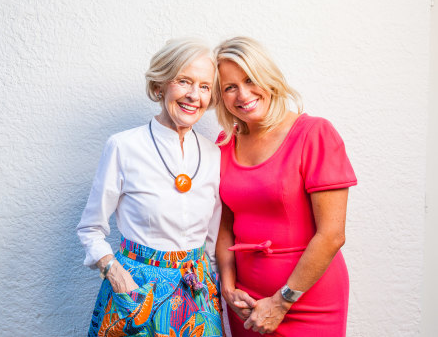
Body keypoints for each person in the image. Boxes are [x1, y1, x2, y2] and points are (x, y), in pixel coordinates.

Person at [77, 38, 225, 336]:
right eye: (184, 81)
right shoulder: (123, 146)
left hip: (197, 297)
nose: (194, 95)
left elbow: (212, 238)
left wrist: (214, 289)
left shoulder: (213, 154)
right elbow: (90, 229)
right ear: (160, 86)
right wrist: (117, 277)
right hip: (135, 293)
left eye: (205, 86)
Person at [214, 36, 357, 336]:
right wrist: (228, 289)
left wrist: (282, 301)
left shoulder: (315, 134)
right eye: (229, 87)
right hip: (246, 304)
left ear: (268, 78)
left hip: (308, 301)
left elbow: (332, 235)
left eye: (250, 79)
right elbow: (225, 228)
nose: (243, 94)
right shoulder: (225, 144)